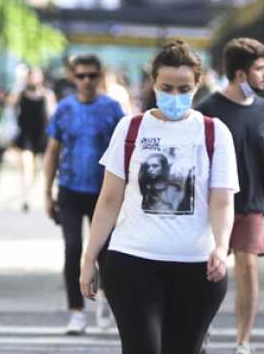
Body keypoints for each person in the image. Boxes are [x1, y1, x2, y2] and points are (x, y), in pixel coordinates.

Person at [78, 40, 238, 353]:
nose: (175, 96)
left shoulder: (214, 132)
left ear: (197, 85)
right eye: (167, 87)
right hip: (132, 263)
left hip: (198, 268)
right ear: (153, 83)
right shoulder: (131, 128)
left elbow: (222, 200)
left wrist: (221, 246)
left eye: (183, 88)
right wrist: (88, 259)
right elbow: (109, 199)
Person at [196, 37, 264, 354]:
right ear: (241, 74)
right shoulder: (208, 110)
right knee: (208, 272)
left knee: (249, 267)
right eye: (259, 68)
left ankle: (243, 341)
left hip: (252, 203)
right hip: (213, 204)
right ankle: (200, 328)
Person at [42, 55, 125, 335]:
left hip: (104, 192)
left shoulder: (112, 109)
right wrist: (47, 193)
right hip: (70, 188)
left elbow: (125, 151)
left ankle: (105, 299)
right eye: (81, 76)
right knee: (72, 248)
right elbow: (52, 151)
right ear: (72, 77)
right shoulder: (64, 109)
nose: (86, 81)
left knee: (105, 251)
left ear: (99, 76)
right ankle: (76, 312)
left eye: (91, 75)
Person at [15, 66, 56, 212]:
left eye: (36, 75)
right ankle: (26, 198)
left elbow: (52, 115)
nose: (33, 78)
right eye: (31, 76)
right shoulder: (21, 94)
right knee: (26, 165)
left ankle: (31, 193)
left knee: (39, 168)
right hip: (26, 135)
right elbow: (10, 106)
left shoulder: (47, 95)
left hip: (41, 135)